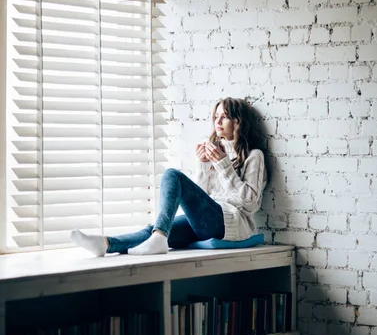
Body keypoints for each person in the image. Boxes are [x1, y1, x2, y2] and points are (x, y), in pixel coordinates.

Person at [71, 97, 267, 257]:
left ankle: (159, 237)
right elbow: (202, 195)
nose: (217, 121)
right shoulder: (217, 151)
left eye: (224, 117)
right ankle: (105, 244)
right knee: (158, 229)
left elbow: (250, 204)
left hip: (230, 223)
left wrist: (223, 165)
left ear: (238, 121)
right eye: (216, 116)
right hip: (207, 219)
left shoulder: (253, 155)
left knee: (172, 175)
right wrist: (204, 165)